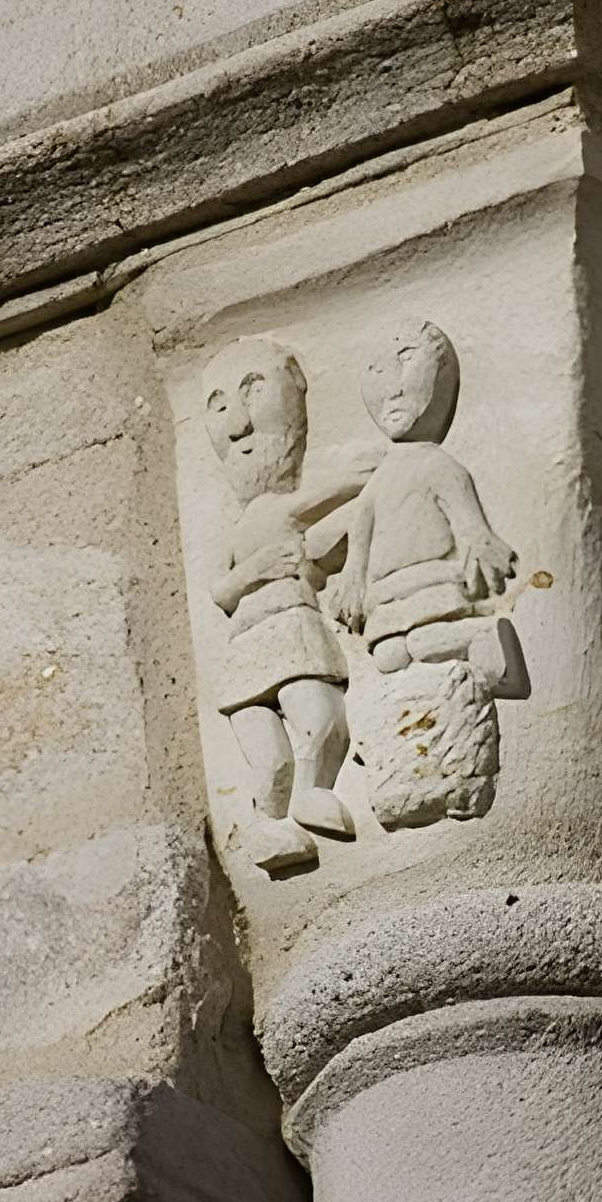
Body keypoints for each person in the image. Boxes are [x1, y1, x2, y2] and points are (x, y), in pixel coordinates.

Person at [204, 336, 378, 873]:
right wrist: (366, 474)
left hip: (290, 631)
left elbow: (323, 536)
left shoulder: (270, 514)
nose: (238, 426)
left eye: (253, 392)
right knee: (276, 755)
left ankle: (306, 798)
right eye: (219, 407)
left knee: (321, 721)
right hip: (255, 642)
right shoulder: (256, 517)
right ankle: (273, 824)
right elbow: (220, 590)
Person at [326, 320, 525, 697]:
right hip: (387, 598)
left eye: (406, 360)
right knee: (389, 655)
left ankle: (491, 653)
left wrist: (481, 546)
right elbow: (360, 532)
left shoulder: (439, 465)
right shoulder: (377, 481)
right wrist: (352, 579)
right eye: (378, 371)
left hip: (431, 584)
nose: (393, 388)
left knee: (429, 639)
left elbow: (470, 524)